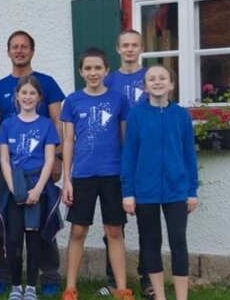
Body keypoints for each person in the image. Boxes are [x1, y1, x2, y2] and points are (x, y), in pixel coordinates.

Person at [0, 31, 65, 297]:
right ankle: (3, 276)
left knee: (43, 224)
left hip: (40, 166)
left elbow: (57, 123)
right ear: (8, 51)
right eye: (14, 47)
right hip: (7, 169)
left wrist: (59, 160)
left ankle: (49, 276)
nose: (19, 51)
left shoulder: (48, 83)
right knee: (5, 224)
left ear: (32, 51)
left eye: (24, 47)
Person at [60, 48, 133, 300]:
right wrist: (67, 179)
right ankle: (70, 288)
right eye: (88, 68)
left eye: (97, 68)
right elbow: (68, 141)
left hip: (113, 174)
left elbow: (125, 139)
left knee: (114, 231)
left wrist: (128, 176)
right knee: (78, 230)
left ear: (106, 70)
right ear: (81, 72)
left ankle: (121, 289)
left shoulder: (118, 100)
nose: (93, 73)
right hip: (83, 175)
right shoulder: (72, 101)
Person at [121, 65, 199, 300]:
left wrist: (192, 190)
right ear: (145, 87)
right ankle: (161, 296)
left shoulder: (181, 115)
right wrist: (128, 192)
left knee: (178, 240)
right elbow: (129, 155)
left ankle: (181, 297)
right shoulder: (136, 115)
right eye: (151, 79)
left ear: (171, 84)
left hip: (177, 190)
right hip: (145, 191)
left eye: (162, 78)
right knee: (151, 242)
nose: (157, 82)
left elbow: (189, 155)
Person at [0, 76, 61, 300]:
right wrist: (15, 189)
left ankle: (31, 287)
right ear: (17, 96)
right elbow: (4, 159)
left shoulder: (46, 125)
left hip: (38, 187)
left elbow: (49, 159)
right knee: (14, 239)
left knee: (34, 240)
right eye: (23, 93)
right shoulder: (7, 125)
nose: (27, 97)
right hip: (15, 185)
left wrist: (37, 190)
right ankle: (16, 286)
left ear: (39, 98)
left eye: (32, 93)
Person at [101, 30, 152, 298]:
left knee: (147, 221)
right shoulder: (108, 81)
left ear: (141, 48)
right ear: (117, 49)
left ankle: (147, 277)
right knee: (114, 222)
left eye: (134, 45)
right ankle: (112, 279)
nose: (130, 49)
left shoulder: (151, 78)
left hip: (146, 159)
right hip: (115, 160)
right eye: (125, 45)